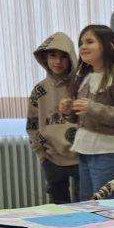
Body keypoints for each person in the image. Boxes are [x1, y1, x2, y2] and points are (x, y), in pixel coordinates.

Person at [61, 24, 114, 200]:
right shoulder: (85, 78)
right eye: (81, 43)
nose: (83, 47)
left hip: (111, 151)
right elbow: (81, 118)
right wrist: (69, 110)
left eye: (90, 42)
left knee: (108, 205)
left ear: (109, 45)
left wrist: (92, 108)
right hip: (86, 150)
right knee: (88, 204)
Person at [27, 31, 79, 204]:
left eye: (63, 56)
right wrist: (42, 155)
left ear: (71, 58)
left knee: (85, 205)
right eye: (53, 56)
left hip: (81, 158)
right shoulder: (39, 90)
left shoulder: (80, 86)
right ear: (45, 58)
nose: (58, 62)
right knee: (58, 208)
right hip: (52, 158)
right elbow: (32, 125)